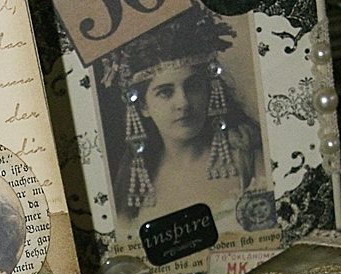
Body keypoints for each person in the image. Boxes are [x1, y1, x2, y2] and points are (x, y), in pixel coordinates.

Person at [97, 2, 265, 231]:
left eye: (193, 86)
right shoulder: (133, 185)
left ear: (209, 89)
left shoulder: (247, 157)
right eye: (165, 92)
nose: (183, 103)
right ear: (144, 106)